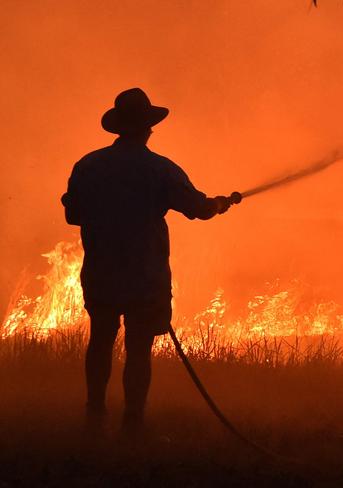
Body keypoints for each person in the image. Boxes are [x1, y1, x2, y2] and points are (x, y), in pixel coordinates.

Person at [61, 88, 239, 436]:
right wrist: (218, 204)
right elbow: (198, 209)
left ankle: (94, 414)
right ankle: (133, 421)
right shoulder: (160, 169)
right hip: (145, 275)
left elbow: (73, 215)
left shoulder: (88, 166)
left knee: (100, 340)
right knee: (139, 348)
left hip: (101, 271)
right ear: (146, 129)